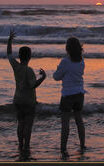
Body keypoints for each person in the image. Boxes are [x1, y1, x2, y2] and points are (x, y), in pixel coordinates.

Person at [7, 28, 46, 157]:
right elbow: (33, 85)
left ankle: (20, 144)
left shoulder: (16, 66)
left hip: (17, 99)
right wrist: (43, 77)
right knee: (28, 124)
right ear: (29, 56)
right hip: (29, 101)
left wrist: (9, 41)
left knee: (20, 123)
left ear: (20, 56)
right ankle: (27, 145)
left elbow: (9, 54)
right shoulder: (29, 70)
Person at [53, 36, 86, 157]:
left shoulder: (65, 61)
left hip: (67, 94)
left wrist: (60, 70)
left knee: (65, 123)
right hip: (79, 93)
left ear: (68, 48)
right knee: (79, 120)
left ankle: (63, 148)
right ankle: (82, 144)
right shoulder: (81, 60)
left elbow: (56, 76)